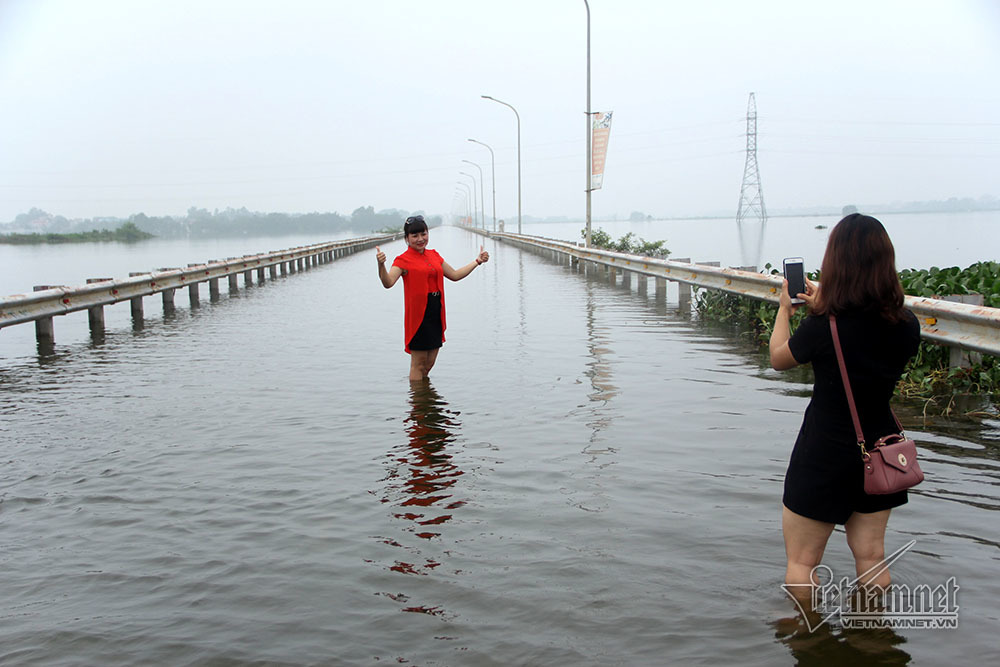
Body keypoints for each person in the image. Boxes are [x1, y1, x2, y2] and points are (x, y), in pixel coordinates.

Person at [769, 213, 920, 597]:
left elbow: (779, 359)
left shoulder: (823, 326)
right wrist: (828, 307)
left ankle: (806, 641)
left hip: (826, 451)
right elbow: (862, 334)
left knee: (803, 563)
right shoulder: (906, 323)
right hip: (881, 449)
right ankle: (872, 641)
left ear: (836, 261)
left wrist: (784, 311)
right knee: (871, 557)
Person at [376, 215, 489, 381]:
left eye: (423, 234)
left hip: (435, 312)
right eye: (414, 236)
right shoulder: (402, 260)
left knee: (429, 363)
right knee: (418, 364)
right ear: (407, 238)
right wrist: (381, 265)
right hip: (418, 316)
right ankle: (417, 403)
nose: (420, 239)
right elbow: (388, 282)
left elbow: (455, 275)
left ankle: (424, 398)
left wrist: (477, 261)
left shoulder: (434, 255)